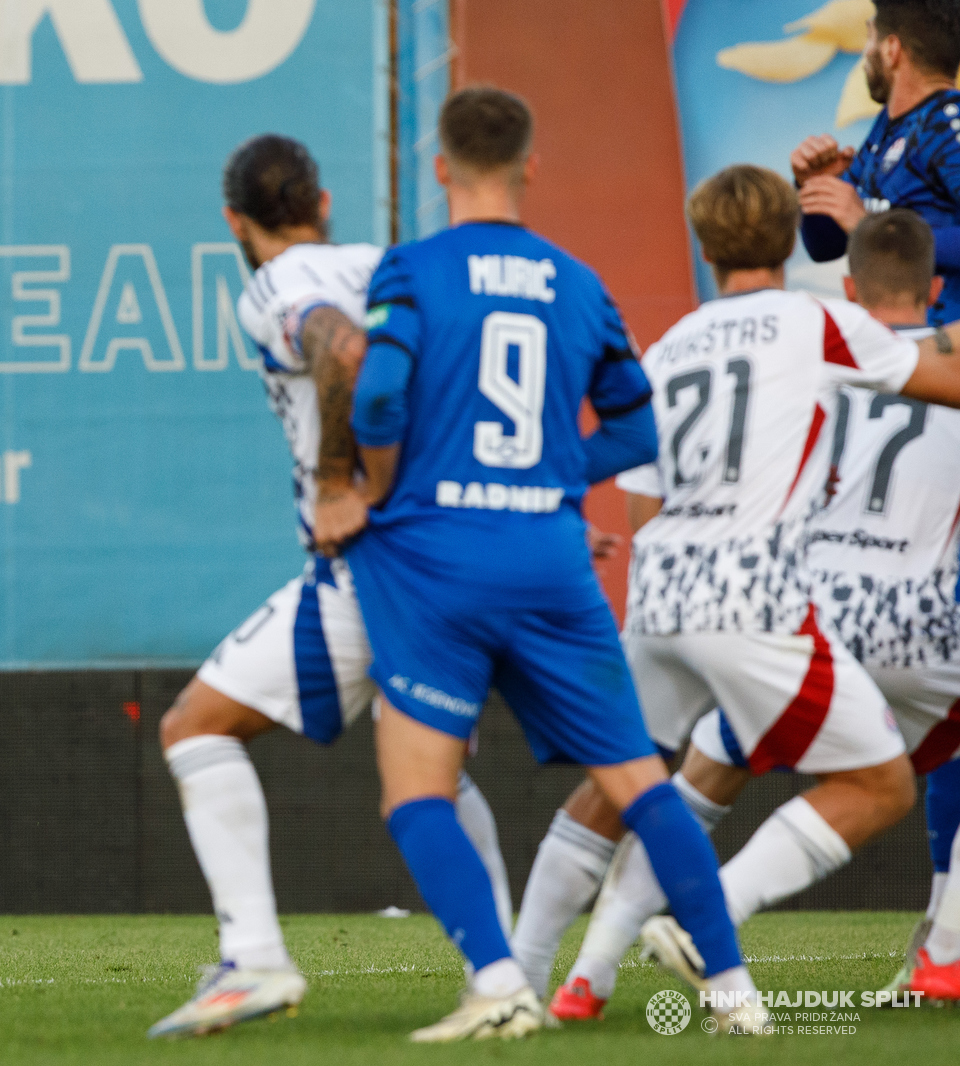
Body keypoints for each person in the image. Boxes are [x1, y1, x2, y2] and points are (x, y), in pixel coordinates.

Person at [336, 86, 759, 1042]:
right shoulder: (578, 281)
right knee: (642, 787)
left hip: (439, 559)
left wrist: (378, 491)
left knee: (416, 787)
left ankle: (498, 983)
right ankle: (734, 991)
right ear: (530, 167)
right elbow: (639, 427)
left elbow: (376, 403)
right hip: (548, 557)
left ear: (440, 167)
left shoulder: (411, 268)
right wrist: (553, 473)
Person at [548, 209, 960, 1015]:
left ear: (847, 288)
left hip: (799, 611)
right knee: (884, 784)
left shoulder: (801, 353)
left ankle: (584, 980)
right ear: (937, 289)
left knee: (698, 778)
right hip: (917, 621)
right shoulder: (927, 363)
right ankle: (939, 957)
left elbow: (652, 490)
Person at [147, 135, 513, 1039]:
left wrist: (344, 482)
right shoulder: (392, 262)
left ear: (236, 221)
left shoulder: (279, 282)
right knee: (435, 769)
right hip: (466, 544)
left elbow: (342, 351)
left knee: (195, 727)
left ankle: (257, 960)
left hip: (378, 560)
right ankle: (509, 972)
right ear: (324, 196)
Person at [793, 0, 960, 325]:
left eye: (869, 39)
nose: (864, 57)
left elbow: (866, 227)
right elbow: (825, 247)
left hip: (946, 354)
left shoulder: (948, 124)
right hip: (898, 349)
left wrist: (872, 227)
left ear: (891, 49)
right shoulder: (886, 129)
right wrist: (816, 185)